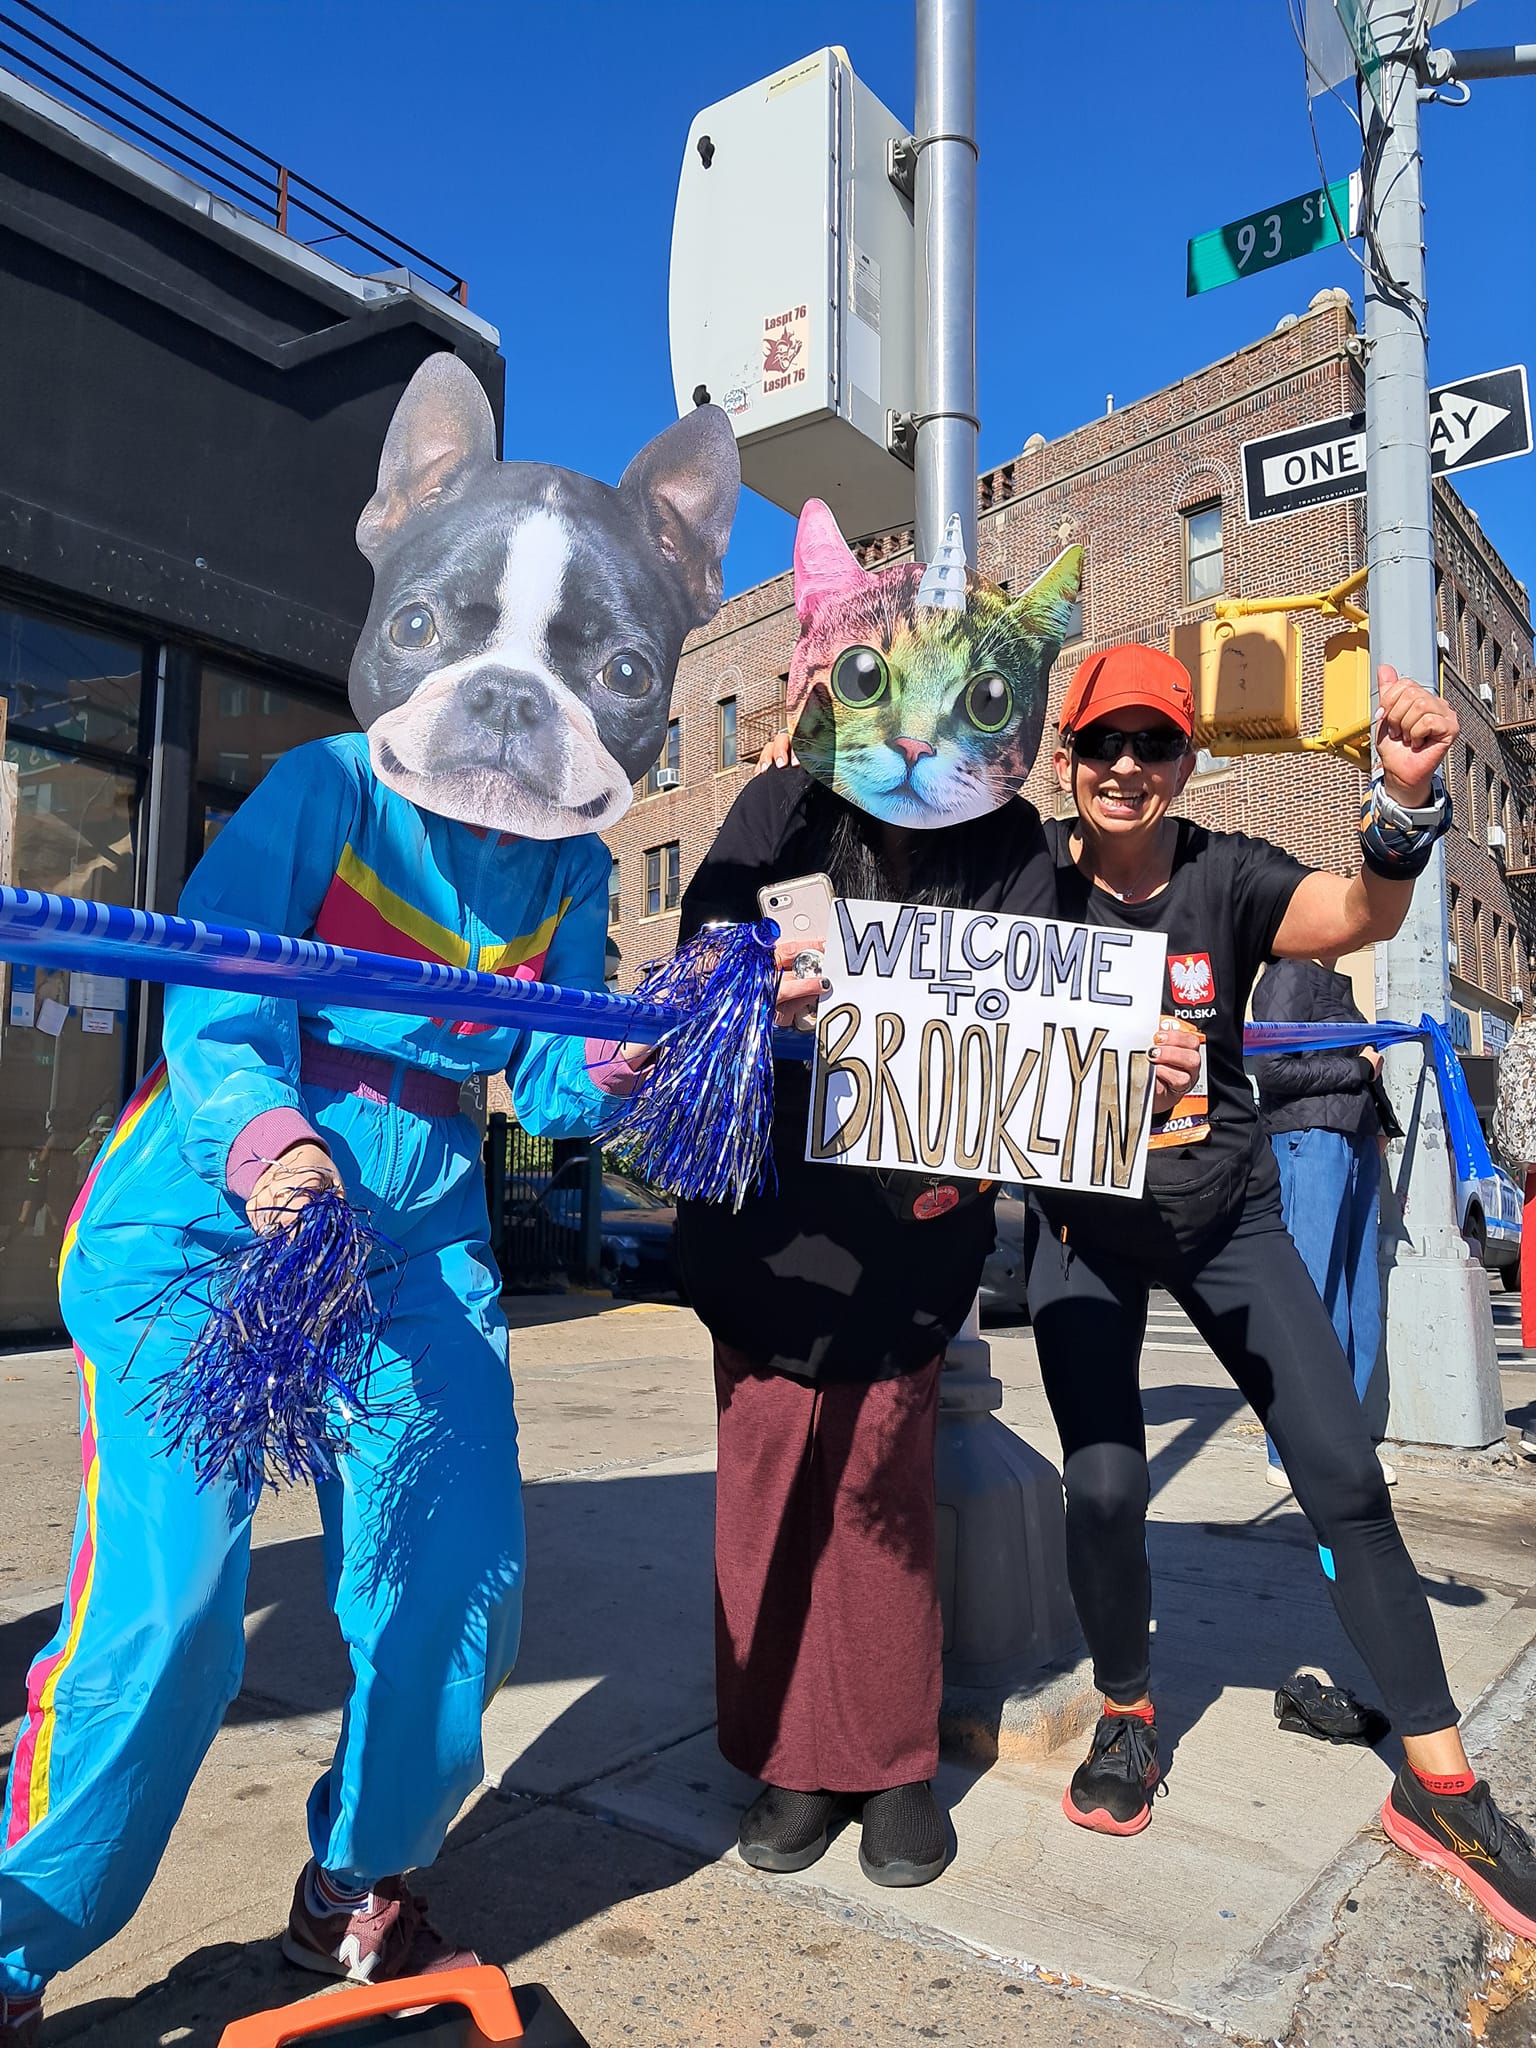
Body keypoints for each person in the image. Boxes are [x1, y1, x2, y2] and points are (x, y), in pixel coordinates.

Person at [0, 358, 740, 2044]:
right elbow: (218, 995)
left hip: (414, 1245)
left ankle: (361, 1875)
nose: (512, 703)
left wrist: (643, 1054)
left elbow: (553, 1084)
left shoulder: (570, 865)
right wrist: (271, 1142)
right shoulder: (323, 791)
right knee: (171, 1615)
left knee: (452, 1582)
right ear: (393, 536)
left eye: (609, 667)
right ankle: (17, 1928)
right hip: (214, 1223)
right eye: (445, 631)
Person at [669, 502, 1194, 1891]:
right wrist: (751, 977)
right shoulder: (776, 808)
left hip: (912, 1224)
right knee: (767, 1488)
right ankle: (787, 1760)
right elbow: (701, 948)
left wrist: (1125, 1054)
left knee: (882, 1490)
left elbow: (1036, 1011)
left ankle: (893, 1763)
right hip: (767, 1221)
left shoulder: (1011, 839)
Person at [1018, 639, 1536, 1943]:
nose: (1125, 765)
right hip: (1084, 1227)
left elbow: (1360, 914)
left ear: (1185, 760)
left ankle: (1441, 1785)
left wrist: (1404, 803)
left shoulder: (1225, 872)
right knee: (1104, 1487)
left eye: (1153, 742)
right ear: (1068, 756)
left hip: (1223, 1215)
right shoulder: (1024, 880)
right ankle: (1129, 1712)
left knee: (1343, 1473)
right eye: (1101, 741)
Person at [1251, 953, 1394, 1488]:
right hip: (1309, 1141)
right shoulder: (1288, 974)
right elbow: (1273, 1068)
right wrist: (1360, 1069)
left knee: (1361, 1307)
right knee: (1313, 1298)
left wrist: (1376, 1118)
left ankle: (1345, 1447)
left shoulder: (1335, 982)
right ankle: (1290, 1453)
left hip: (1354, 1142)